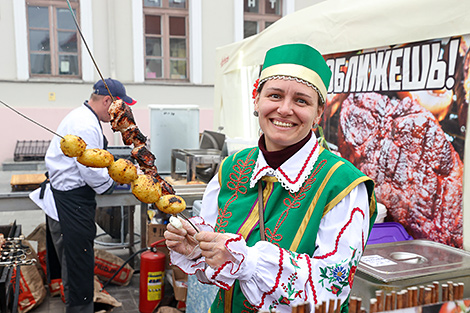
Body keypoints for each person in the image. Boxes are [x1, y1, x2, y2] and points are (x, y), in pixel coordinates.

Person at [164, 43, 377, 312]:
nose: (285, 109)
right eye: (275, 95)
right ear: (257, 99)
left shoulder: (342, 184)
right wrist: (196, 247)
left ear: (318, 113)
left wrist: (248, 260)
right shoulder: (232, 168)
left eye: (301, 100)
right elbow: (217, 264)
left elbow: (331, 289)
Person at [33, 78, 136, 313]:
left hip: (71, 198)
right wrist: (112, 181)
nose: (121, 113)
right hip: (71, 201)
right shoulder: (85, 124)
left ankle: (76, 303)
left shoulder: (83, 116)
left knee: (74, 259)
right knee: (78, 261)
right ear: (108, 101)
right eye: (121, 107)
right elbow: (91, 170)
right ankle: (80, 308)